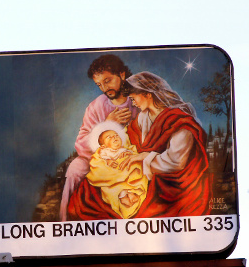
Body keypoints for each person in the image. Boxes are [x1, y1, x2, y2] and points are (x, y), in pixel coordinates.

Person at [67, 71, 210, 220]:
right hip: (145, 173)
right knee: (87, 193)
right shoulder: (143, 117)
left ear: (148, 94)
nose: (132, 103)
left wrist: (143, 158)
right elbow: (128, 140)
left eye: (133, 98)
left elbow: (176, 162)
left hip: (170, 182)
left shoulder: (179, 122)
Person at [59, 54, 139, 221]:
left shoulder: (137, 100)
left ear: (122, 75)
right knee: (75, 168)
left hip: (131, 156)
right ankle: (64, 224)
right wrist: (106, 124)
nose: (104, 88)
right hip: (99, 157)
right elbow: (81, 144)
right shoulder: (96, 107)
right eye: (99, 84)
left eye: (107, 81)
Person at [85, 122, 148, 219]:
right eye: (109, 137)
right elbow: (100, 162)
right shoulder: (104, 152)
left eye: (116, 135)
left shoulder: (124, 149)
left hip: (127, 176)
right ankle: (124, 200)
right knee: (114, 191)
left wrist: (126, 154)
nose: (114, 138)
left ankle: (132, 195)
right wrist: (109, 161)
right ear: (103, 146)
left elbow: (132, 155)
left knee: (130, 186)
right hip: (112, 180)